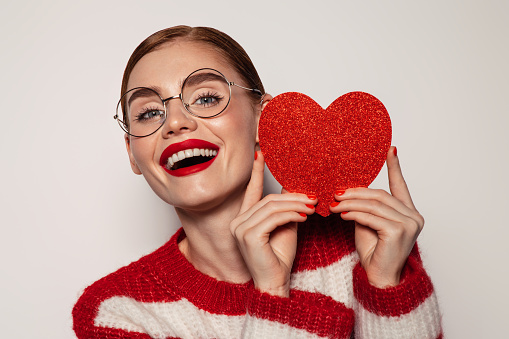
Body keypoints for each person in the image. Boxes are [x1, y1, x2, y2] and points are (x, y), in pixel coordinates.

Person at [72, 25, 442, 338]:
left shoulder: (363, 252)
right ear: (132, 152)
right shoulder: (115, 311)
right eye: (149, 112)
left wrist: (385, 284)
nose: (175, 123)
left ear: (267, 121)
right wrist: (271, 292)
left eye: (205, 98)